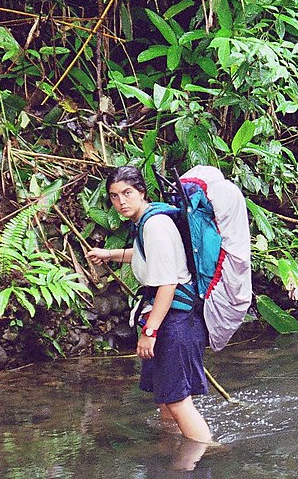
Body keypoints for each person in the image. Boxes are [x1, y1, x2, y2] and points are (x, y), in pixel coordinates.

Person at [87, 165, 213, 445]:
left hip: (176, 321)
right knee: (166, 396)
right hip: (174, 318)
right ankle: (171, 448)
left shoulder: (155, 226)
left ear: (141, 192)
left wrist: (150, 331)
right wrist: (109, 255)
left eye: (127, 193)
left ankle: (208, 452)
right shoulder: (148, 220)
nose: (121, 202)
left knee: (178, 401)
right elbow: (147, 254)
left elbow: (167, 284)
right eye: (114, 196)